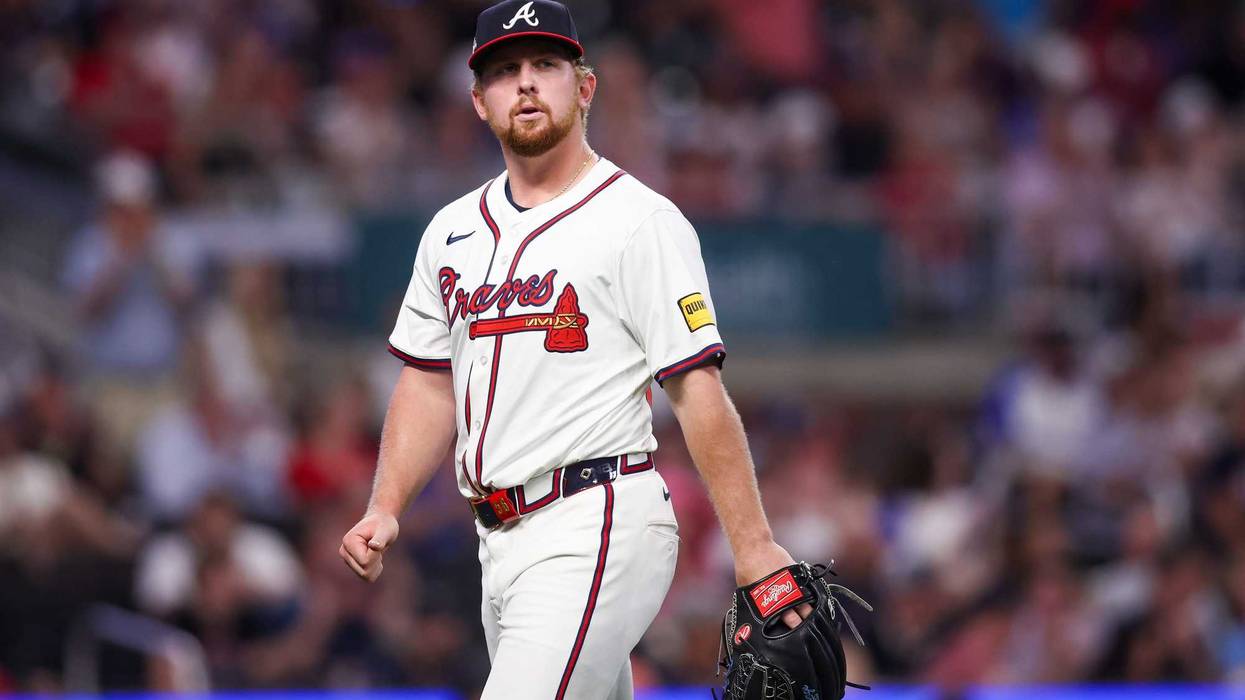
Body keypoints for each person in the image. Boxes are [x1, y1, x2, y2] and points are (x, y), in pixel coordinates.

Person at [339, 2, 808, 697]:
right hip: (497, 543)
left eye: (544, 65)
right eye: (503, 71)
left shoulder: (638, 220)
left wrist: (754, 547)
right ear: (478, 101)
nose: (524, 83)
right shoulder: (450, 230)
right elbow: (428, 383)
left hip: (596, 517)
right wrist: (386, 505)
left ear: (583, 87)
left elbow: (697, 389)